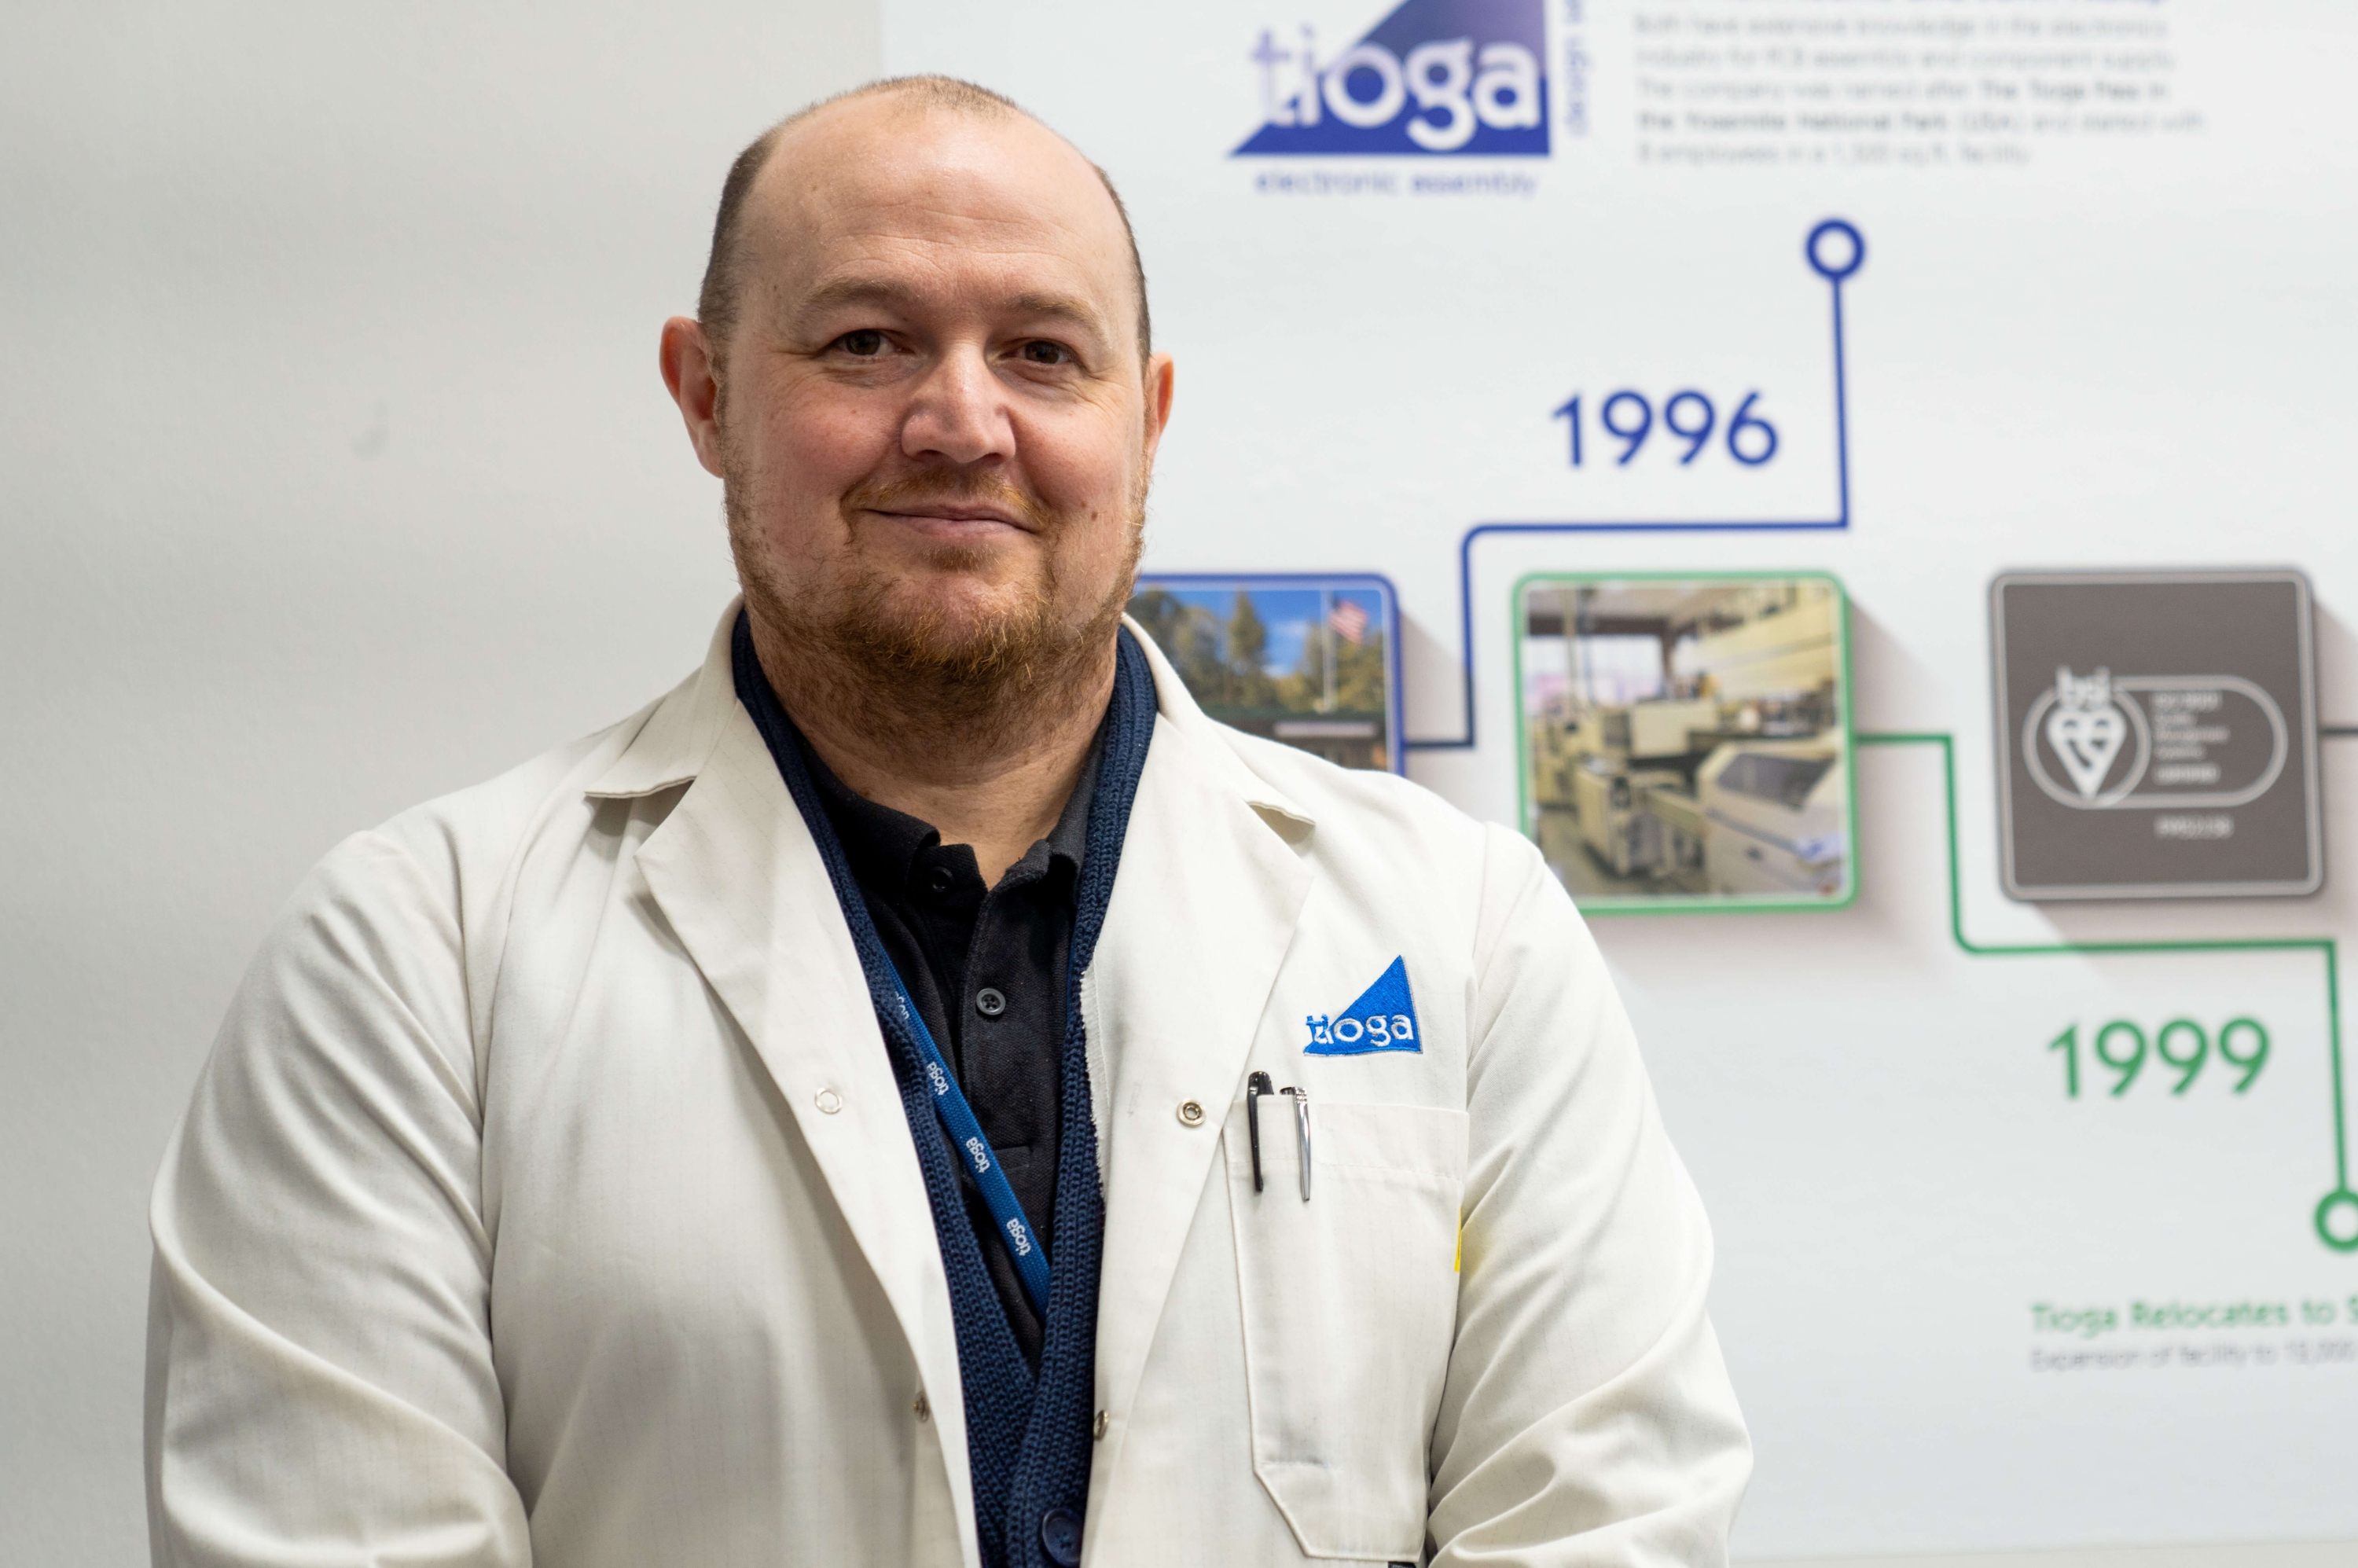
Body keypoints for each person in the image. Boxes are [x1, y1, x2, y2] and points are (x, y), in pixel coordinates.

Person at [145, 75, 1750, 1568]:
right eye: (865, 342)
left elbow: (1606, 1511)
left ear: (1148, 415)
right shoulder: (415, 955)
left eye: (1045, 352)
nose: (962, 420)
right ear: (703, 396)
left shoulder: (1460, 926)